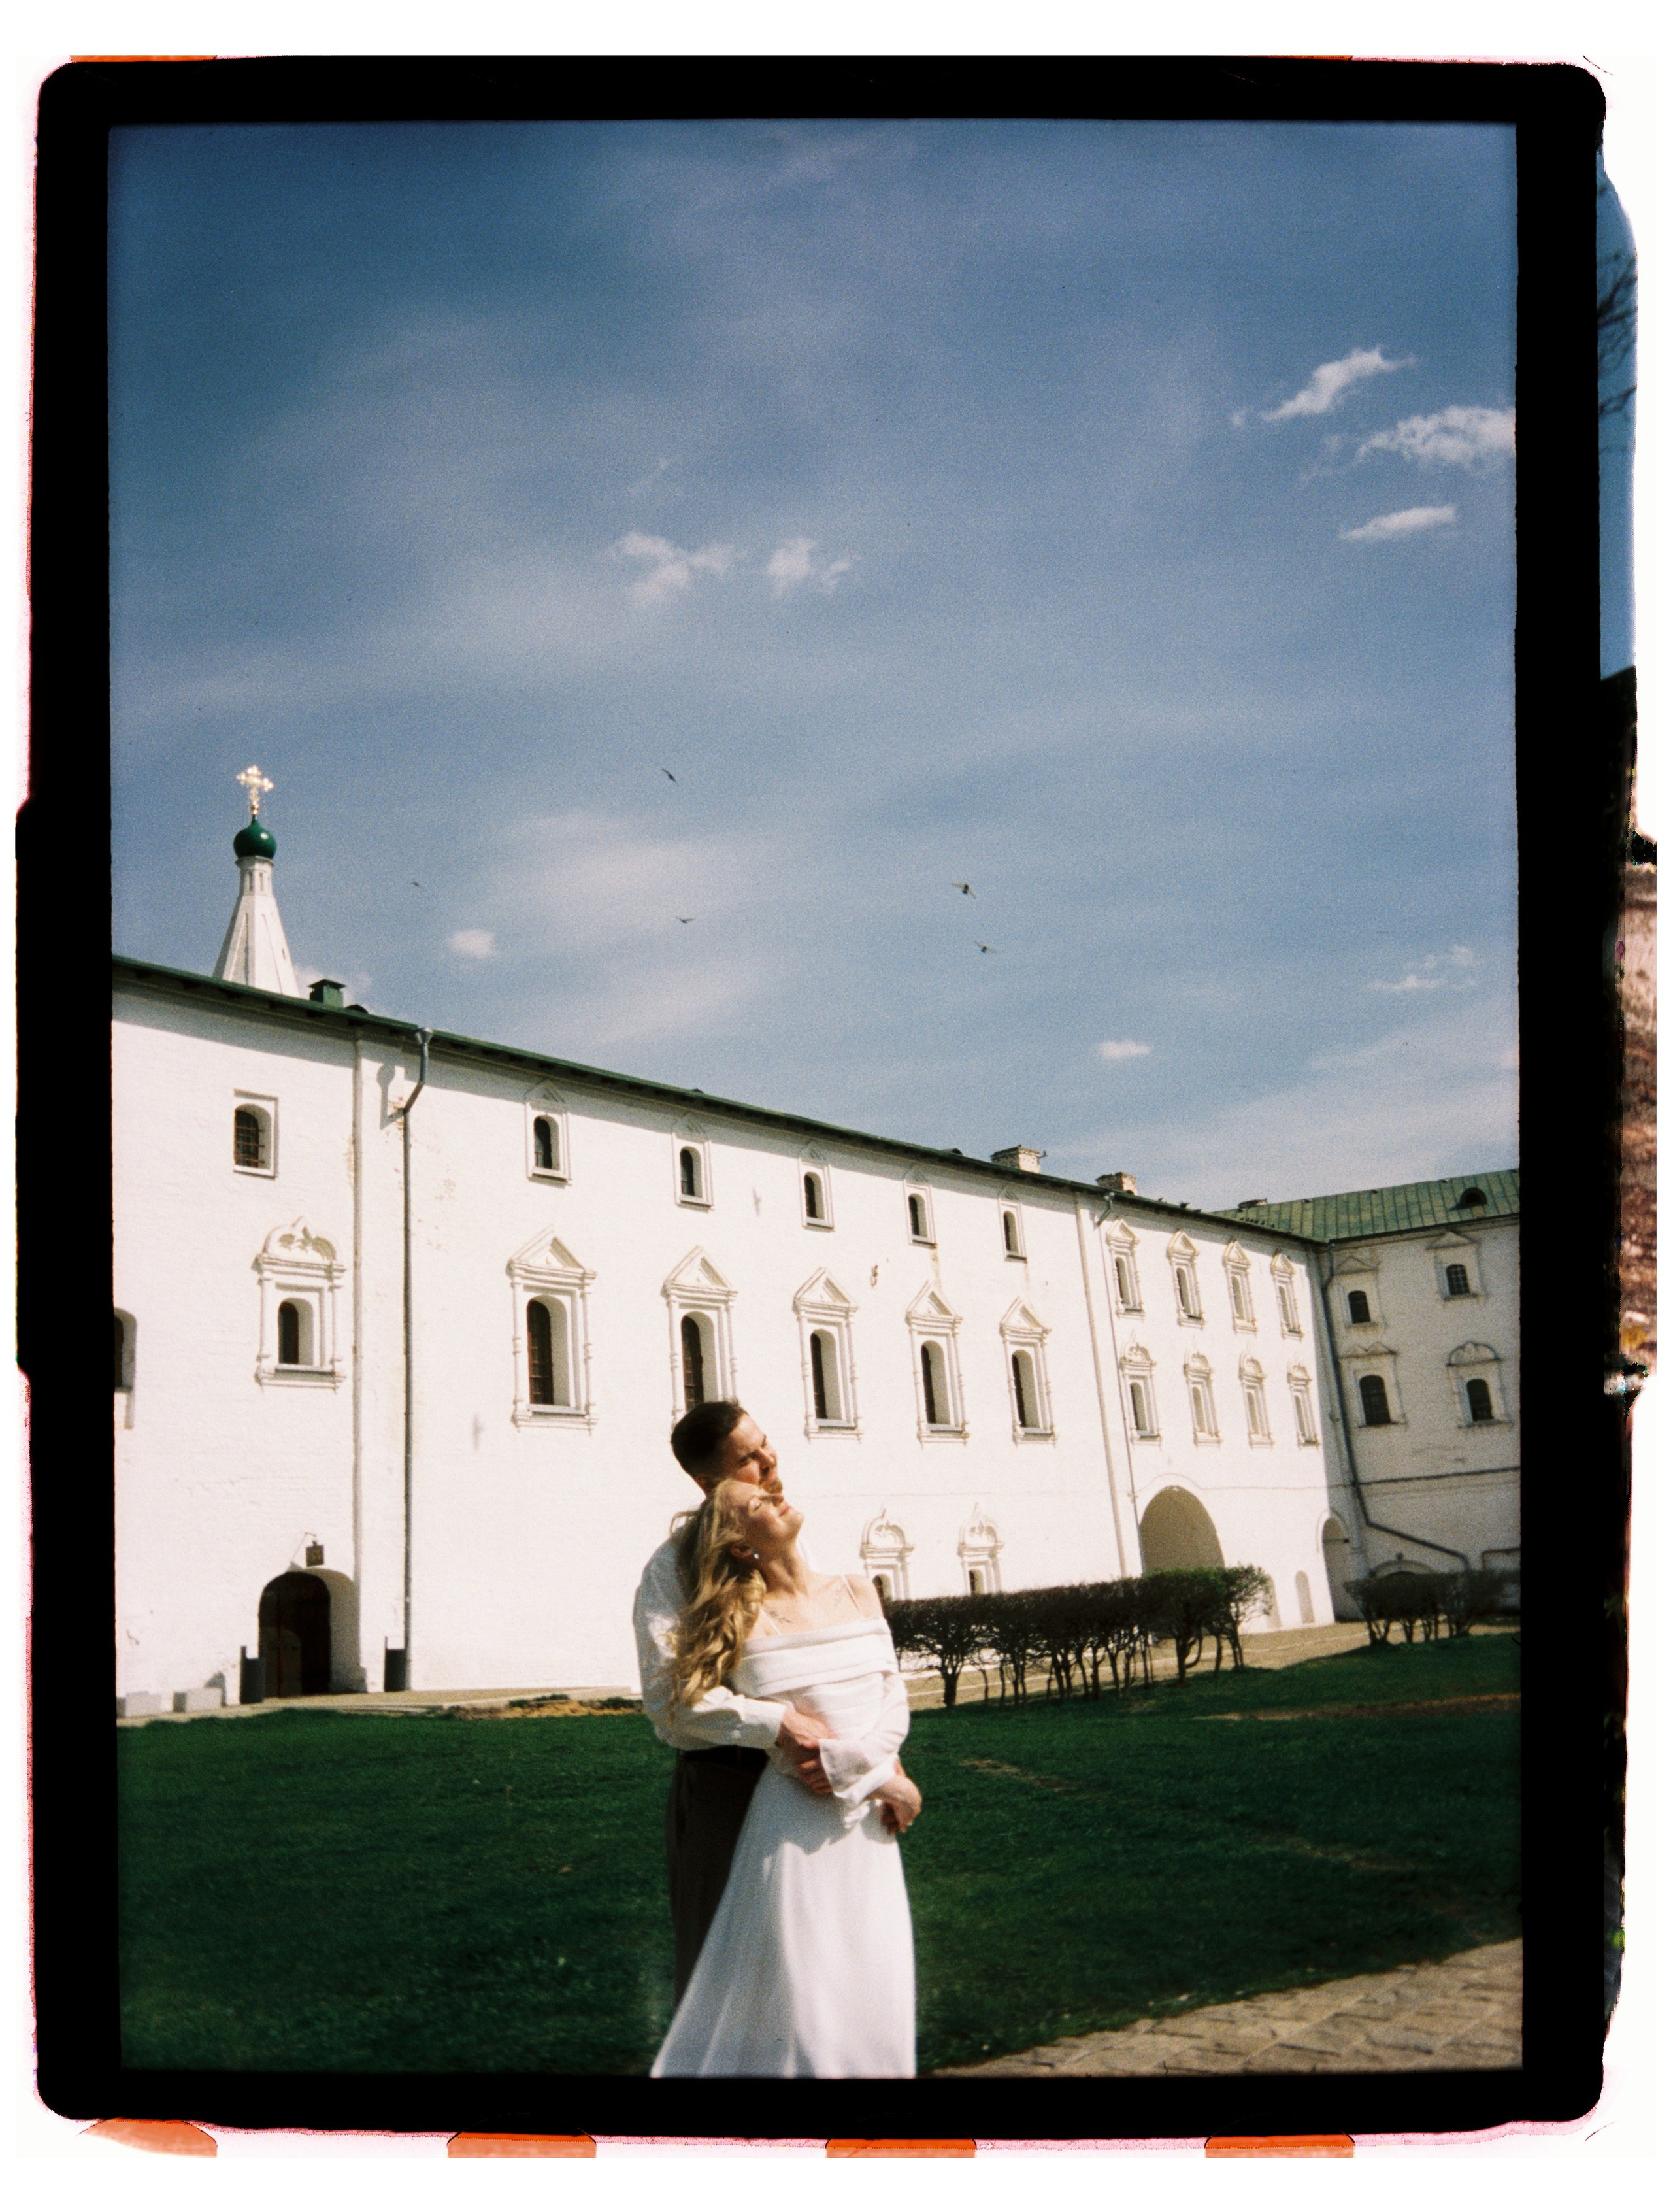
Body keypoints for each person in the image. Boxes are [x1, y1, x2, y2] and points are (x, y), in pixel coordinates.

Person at [634, 1400, 911, 2001]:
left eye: (766, 1444)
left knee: (825, 1974)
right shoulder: (671, 1571)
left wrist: (881, 1767)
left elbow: (835, 1674)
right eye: (749, 1459)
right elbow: (669, 1704)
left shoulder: (789, 1541)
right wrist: (778, 1722)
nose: (769, 1460)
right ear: (710, 1485)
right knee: (728, 1983)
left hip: (819, 1790)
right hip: (726, 1787)